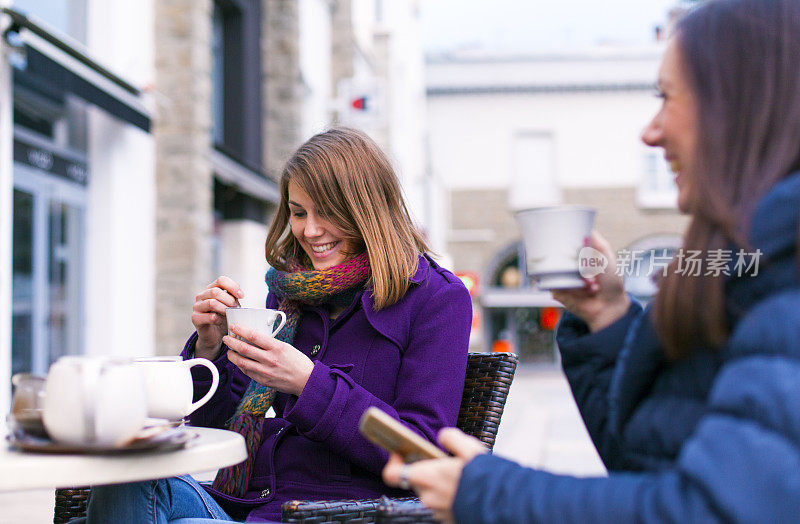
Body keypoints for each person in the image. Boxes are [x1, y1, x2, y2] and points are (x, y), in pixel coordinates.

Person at [383, 0, 800, 521]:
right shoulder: (750, 256)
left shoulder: (784, 267)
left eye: (666, 98)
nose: (651, 132)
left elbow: (717, 508)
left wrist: (488, 495)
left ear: (739, 109)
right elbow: (648, 463)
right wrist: (604, 315)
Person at [84, 127, 471, 523]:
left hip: (340, 514)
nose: (310, 230)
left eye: (329, 212)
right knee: (124, 472)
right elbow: (217, 426)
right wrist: (210, 347)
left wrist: (309, 383)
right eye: (299, 212)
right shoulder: (290, 294)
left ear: (367, 209)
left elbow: (423, 453)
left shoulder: (436, 298)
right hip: (253, 505)